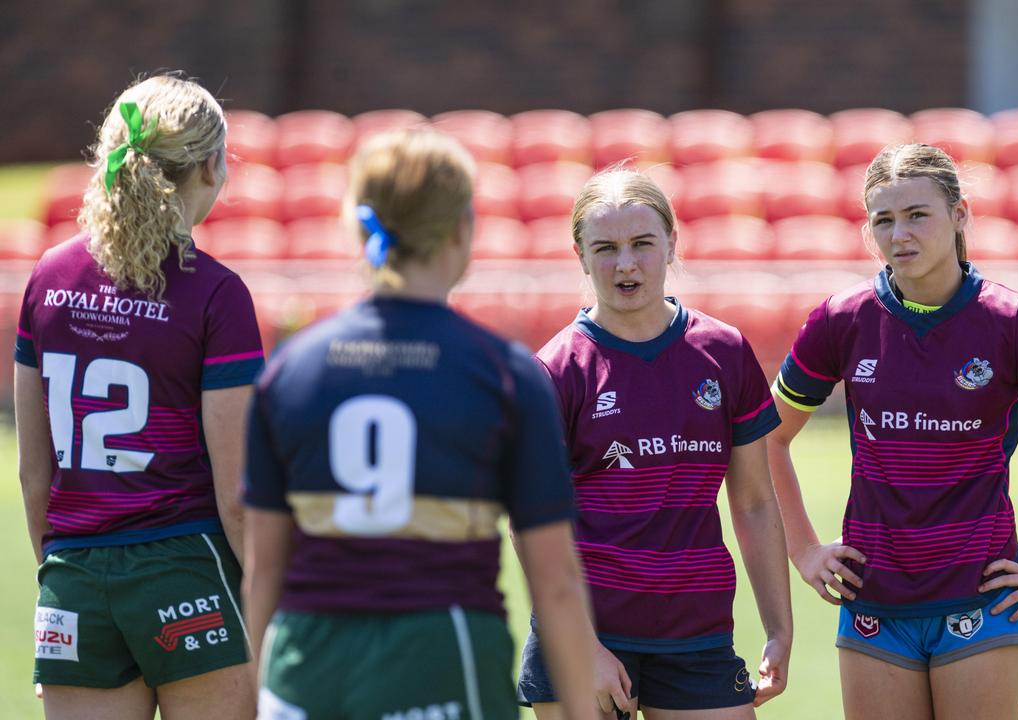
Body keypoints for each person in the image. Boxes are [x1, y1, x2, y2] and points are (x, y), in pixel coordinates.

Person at [241, 127, 598, 720]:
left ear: (362, 228)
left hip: (306, 667)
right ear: (462, 228)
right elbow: (555, 581)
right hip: (441, 657)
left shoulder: (289, 369)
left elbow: (264, 571)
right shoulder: (504, 374)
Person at [765, 143, 1018, 720]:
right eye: (883, 220)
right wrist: (803, 550)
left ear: (960, 215)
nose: (900, 235)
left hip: (984, 599)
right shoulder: (841, 320)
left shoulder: (1014, 323)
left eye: (918, 215)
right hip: (874, 605)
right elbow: (766, 438)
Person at [14, 75, 259, 719]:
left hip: (72, 576)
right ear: (209, 164)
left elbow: (32, 471)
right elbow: (237, 497)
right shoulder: (216, 293)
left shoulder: (47, 276)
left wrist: (63, 587)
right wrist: (266, 611)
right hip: (188, 569)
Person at [515, 168, 793, 719]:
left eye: (642, 243)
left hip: (698, 632)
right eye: (605, 248)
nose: (625, 264)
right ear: (579, 253)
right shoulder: (556, 370)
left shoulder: (724, 352)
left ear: (672, 243)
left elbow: (755, 502)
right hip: (586, 631)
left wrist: (779, 628)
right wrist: (583, 648)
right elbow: (534, 525)